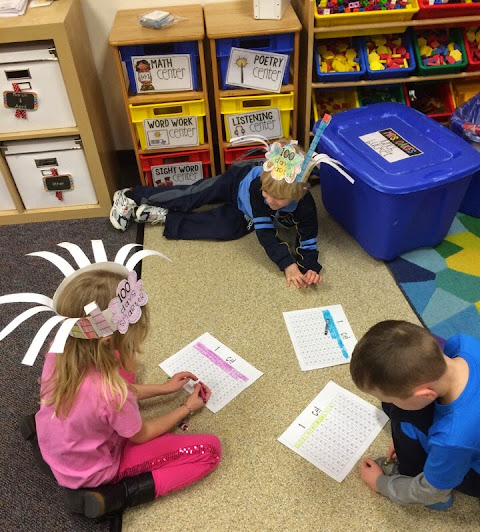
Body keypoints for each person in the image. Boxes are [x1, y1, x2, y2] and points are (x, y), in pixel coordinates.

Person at [34, 266, 221, 519]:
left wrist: (164, 389)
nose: (135, 345)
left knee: (124, 371)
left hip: (62, 445)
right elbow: (141, 434)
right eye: (131, 340)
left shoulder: (58, 349)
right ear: (107, 342)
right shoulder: (112, 393)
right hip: (95, 471)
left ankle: (38, 433)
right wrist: (186, 408)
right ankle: (120, 494)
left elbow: (117, 390)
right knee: (210, 451)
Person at [110, 139, 323, 289]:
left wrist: (310, 267)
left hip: (246, 213)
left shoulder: (305, 206)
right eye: (267, 195)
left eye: (277, 199)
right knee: (191, 195)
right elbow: (266, 233)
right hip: (234, 183)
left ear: (299, 194)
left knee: (224, 229)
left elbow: (308, 239)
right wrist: (288, 264)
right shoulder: (258, 187)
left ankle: (163, 216)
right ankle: (132, 195)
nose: (269, 201)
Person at [349, 320, 480, 510]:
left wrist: (380, 483)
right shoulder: (463, 344)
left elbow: (432, 491)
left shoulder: (452, 439)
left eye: (392, 399)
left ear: (425, 394)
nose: (389, 403)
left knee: (404, 420)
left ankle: (433, 498)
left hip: (473, 474)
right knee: (397, 408)